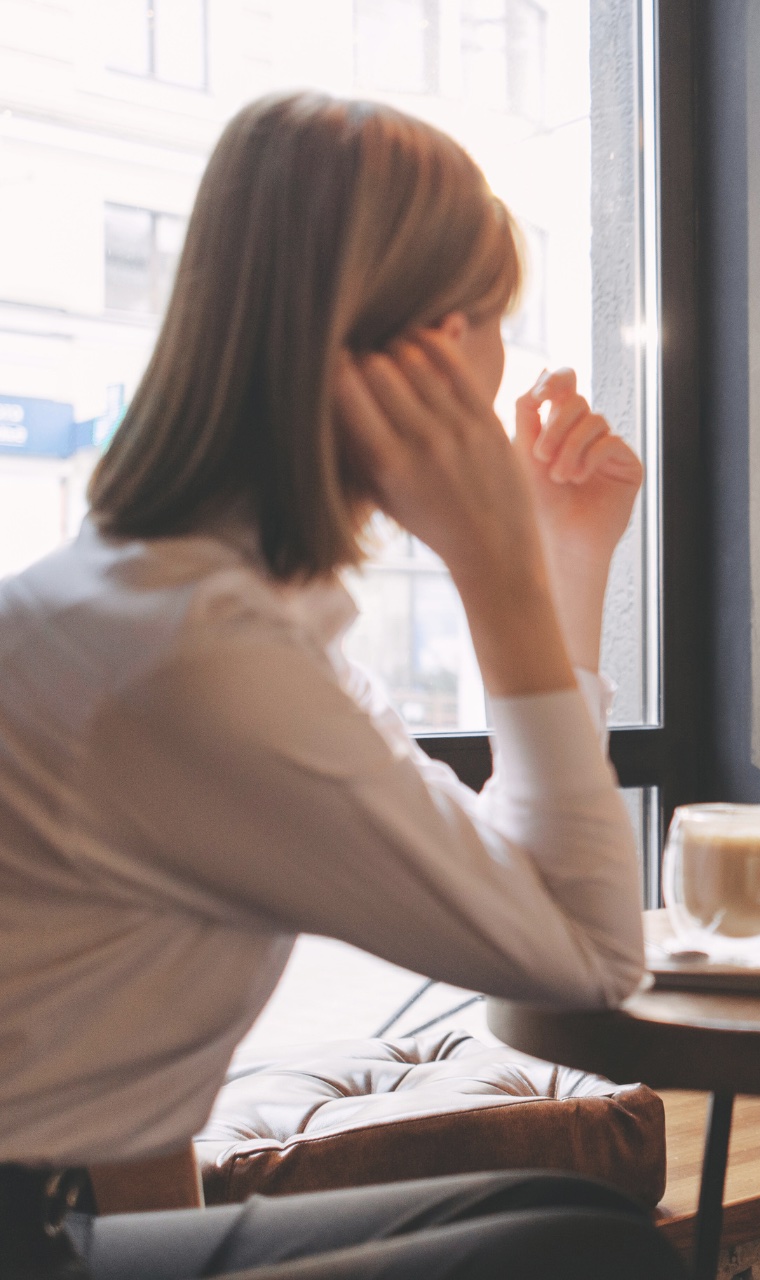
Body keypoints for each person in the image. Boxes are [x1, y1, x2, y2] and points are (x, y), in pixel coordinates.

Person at [0, 93, 681, 1279]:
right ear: (409, 348)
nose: (499, 362)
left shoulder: (193, 605)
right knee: (581, 1254)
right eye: (490, 321)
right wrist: (501, 567)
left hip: (67, 1208)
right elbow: (588, 948)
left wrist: (565, 565)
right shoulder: (193, 660)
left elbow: (506, 878)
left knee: (579, 1226)